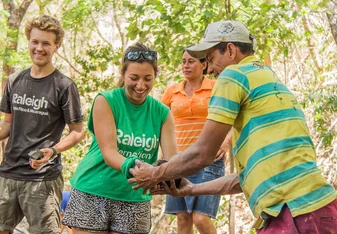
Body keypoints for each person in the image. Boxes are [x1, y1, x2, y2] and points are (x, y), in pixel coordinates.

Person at [129, 20, 337, 234]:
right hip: (318, 207)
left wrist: (155, 174)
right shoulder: (267, 77)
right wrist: (190, 190)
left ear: (230, 50)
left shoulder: (233, 76)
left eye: (210, 59)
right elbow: (241, 180)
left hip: (294, 211)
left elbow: (203, 153)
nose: (208, 70)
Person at [62, 42, 177, 234]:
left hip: (134, 197)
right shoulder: (106, 100)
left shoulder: (162, 113)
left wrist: (165, 174)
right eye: (134, 78)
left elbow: (171, 158)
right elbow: (109, 153)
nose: (141, 85)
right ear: (123, 75)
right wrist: (142, 170)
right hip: (93, 190)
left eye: (148, 78)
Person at [0, 15, 84, 234]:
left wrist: (52, 151)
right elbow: (7, 125)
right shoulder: (14, 80)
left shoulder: (64, 86)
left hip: (42, 179)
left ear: (56, 46)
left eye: (46, 43)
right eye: (35, 42)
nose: (39, 48)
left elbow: (77, 132)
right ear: (28, 42)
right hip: (8, 173)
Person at [161, 49, 229, 234]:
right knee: (183, 219)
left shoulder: (217, 87)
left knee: (201, 218)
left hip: (208, 160)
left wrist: (226, 141)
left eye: (191, 61)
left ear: (204, 64)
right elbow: (160, 124)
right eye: (183, 61)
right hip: (177, 160)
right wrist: (161, 163)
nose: (185, 65)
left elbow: (236, 117)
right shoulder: (172, 91)